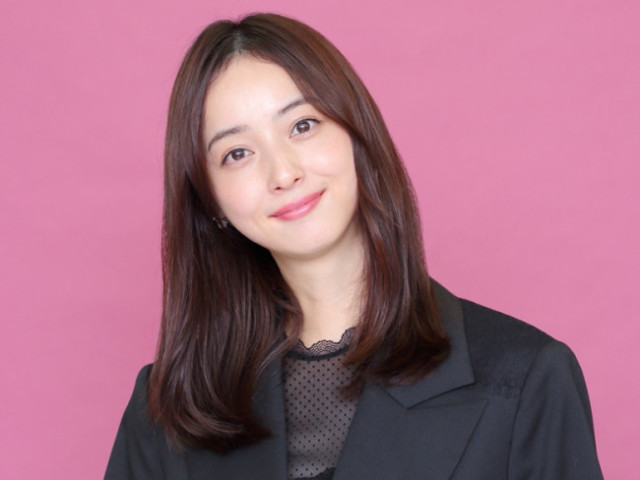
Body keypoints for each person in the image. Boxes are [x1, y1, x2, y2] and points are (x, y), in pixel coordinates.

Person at [105, 13, 603, 480]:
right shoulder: (166, 411)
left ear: (356, 134)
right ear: (210, 200)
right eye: (237, 153)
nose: (283, 173)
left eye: (302, 126)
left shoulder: (527, 376)